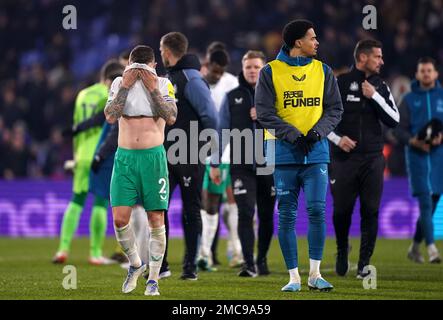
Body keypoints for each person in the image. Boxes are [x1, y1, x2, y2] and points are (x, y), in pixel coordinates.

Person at [256, 19, 343, 292]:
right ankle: (293, 277)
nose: (317, 42)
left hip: (316, 153)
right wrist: (294, 135)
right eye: (312, 38)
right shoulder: (270, 71)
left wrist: (317, 134)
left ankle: (315, 275)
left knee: (317, 211)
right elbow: (265, 113)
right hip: (284, 153)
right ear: (298, 42)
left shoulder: (324, 71)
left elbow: (335, 110)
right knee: (287, 216)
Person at [104, 45, 177, 296]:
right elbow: (111, 116)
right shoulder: (117, 83)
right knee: (119, 218)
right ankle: (136, 264)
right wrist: (124, 86)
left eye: (142, 68)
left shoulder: (164, 84)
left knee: (156, 219)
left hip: (153, 159)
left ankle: (153, 279)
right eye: (134, 69)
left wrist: (153, 88)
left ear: (154, 67)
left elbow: (171, 117)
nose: (138, 73)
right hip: (124, 159)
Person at [328, 39, 400, 278]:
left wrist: (375, 97)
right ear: (362, 58)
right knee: (341, 211)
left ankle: (363, 263)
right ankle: (341, 250)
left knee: (370, 210)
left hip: (372, 158)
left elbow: (394, 120)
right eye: (377, 56)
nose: (381, 61)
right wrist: (338, 140)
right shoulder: (340, 83)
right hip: (343, 159)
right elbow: (321, 120)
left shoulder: (380, 85)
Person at [52, 60, 124, 265]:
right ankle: (95, 252)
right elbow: (105, 122)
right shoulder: (109, 94)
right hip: (101, 153)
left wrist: (76, 155)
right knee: (100, 201)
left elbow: (76, 126)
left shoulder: (82, 94)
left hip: (82, 153)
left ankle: (62, 249)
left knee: (76, 201)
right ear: (110, 80)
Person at [211, 50, 275, 277]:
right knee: (245, 213)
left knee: (267, 216)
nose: (252, 71)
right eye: (248, 67)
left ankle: (262, 258)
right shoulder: (232, 97)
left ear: (264, 69)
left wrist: (265, 115)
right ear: (243, 68)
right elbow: (221, 132)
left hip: (270, 164)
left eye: (257, 67)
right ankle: (249, 264)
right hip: (241, 165)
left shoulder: (275, 95)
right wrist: (215, 163)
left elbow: (288, 126)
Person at [159, 32, 218, 280]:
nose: (160, 54)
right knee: (158, 207)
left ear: (167, 51)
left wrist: (208, 153)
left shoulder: (191, 79)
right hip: (165, 154)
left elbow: (210, 116)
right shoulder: (169, 78)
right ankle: (160, 265)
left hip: (190, 155)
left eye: (161, 50)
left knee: (190, 210)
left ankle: (189, 267)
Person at [394, 57, 442, 264]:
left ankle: (414, 247)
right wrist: (412, 141)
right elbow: (397, 128)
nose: (426, 74)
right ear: (417, 74)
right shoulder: (408, 99)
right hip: (417, 157)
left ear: (435, 74)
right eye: (422, 71)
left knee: (431, 204)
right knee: (424, 202)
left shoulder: (442, 96)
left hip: (439, 158)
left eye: (429, 71)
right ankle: (432, 249)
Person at [199, 46, 242, 270]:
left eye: (220, 72)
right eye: (214, 71)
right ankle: (205, 253)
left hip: (223, 154)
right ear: (206, 64)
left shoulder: (232, 84)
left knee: (227, 201)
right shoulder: (196, 82)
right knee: (207, 204)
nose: (217, 75)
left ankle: (234, 251)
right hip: (195, 151)